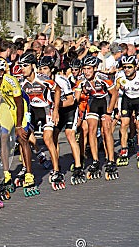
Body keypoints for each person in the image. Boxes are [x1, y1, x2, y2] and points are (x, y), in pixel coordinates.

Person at [0, 57, 34, 196]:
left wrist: (18, 126)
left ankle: (29, 174)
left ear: (1, 72)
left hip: (21, 107)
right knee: (3, 136)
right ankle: (6, 174)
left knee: (22, 138)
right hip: (7, 107)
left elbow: (19, 104)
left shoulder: (11, 81)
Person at [37, 56, 85, 187]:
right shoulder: (41, 80)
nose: (42, 71)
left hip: (68, 110)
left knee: (70, 135)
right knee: (54, 137)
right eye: (40, 68)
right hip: (55, 110)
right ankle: (56, 166)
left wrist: (56, 106)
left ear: (52, 69)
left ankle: (78, 166)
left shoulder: (61, 80)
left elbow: (71, 100)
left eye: (45, 68)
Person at [19, 52, 61, 195]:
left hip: (46, 110)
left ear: (32, 66)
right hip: (32, 112)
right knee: (24, 138)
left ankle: (56, 170)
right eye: (20, 66)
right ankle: (29, 163)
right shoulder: (21, 82)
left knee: (47, 138)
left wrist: (56, 110)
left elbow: (57, 90)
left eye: (25, 66)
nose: (22, 69)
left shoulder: (44, 79)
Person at [74, 56, 119, 180]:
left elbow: (114, 93)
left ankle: (111, 160)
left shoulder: (102, 77)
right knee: (92, 130)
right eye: (84, 69)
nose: (86, 72)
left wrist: (109, 112)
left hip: (105, 101)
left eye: (89, 69)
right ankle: (95, 160)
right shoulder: (81, 79)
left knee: (106, 131)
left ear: (94, 68)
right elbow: (76, 98)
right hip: (93, 102)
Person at [115, 56, 139, 167]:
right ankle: (124, 149)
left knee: (138, 125)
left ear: (135, 67)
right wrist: (117, 109)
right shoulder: (120, 77)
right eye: (124, 67)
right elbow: (117, 93)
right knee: (124, 124)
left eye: (130, 67)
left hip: (138, 99)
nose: (127, 70)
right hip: (127, 99)